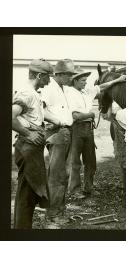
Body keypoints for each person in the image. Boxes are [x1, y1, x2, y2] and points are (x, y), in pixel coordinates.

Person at [67, 67, 126, 198]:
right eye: (83, 80)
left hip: (88, 128)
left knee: (90, 160)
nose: (85, 83)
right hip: (76, 128)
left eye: (86, 80)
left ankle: (89, 187)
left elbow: (102, 86)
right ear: (75, 80)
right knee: (75, 161)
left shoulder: (86, 91)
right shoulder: (69, 93)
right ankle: (74, 190)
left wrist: (118, 80)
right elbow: (75, 116)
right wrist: (90, 114)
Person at [12, 59, 53, 229]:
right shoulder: (27, 93)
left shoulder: (34, 93)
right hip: (27, 149)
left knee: (30, 193)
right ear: (39, 75)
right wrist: (28, 133)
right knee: (26, 194)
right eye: (47, 77)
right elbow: (10, 116)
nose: (49, 81)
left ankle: (23, 228)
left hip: (33, 150)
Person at [41, 59, 77, 224]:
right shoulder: (49, 88)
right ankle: (54, 214)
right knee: (57, 175)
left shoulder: (63, 88)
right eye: (69, 75)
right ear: (60, 74)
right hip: (56, 132)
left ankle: (59, 211)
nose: (71, 78)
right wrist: (58, 121)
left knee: (64, 174)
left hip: (66, 132)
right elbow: (40, 110)